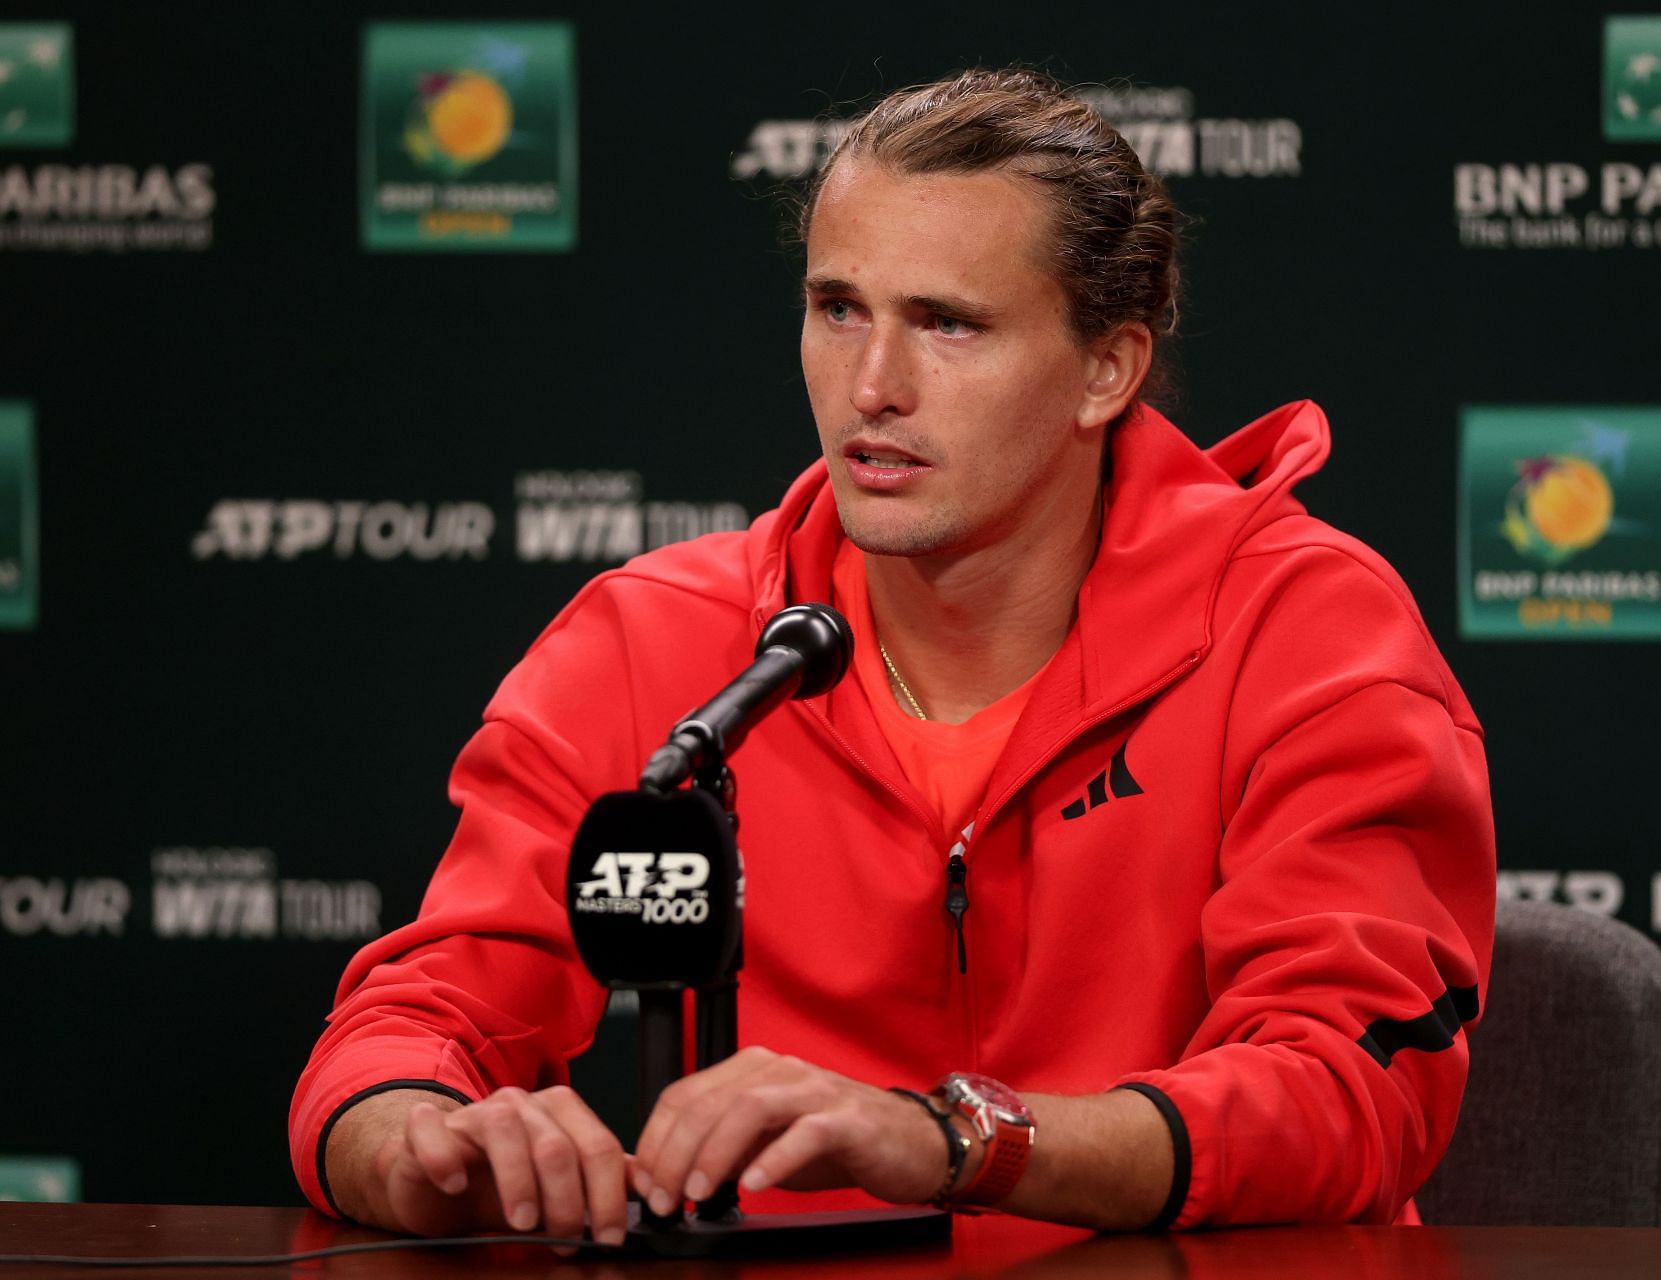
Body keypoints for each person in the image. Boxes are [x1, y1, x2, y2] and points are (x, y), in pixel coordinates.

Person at [290, 67, 1495, 1248]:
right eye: (839, 308)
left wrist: (956, 1139)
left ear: (1106, 370)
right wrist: (413, 1138)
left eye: (949, 324)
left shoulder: (1308, 631)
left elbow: (1347, 1088)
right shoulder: (655, 638)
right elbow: (415, 1017)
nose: (873, 386)